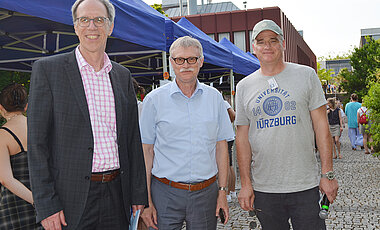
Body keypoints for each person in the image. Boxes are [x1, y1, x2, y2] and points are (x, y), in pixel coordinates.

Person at [28, 0, 148, 229]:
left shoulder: (123, 76)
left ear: (110, 27)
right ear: (75, 26)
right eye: (84, 20)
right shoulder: (48, 70)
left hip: (118, 194)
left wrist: (138, 194)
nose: (92, 26)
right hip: (69, 200)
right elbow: (37, 144)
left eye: (99, 20)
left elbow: (132, 139)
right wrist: (46, 205)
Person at [235, 19, 339, 230]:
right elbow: (242, 139)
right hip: (265, 187)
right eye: (261, 41)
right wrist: (246, 184)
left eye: (273, 40)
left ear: (282, 44)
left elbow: (321, 128)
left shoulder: (306, 76)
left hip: (304, 184)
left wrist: (328, 174)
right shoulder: (244, 87)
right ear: (253, 47)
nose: (267, 46)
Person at [139, 36, 234, 229]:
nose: (185, 65)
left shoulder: (215, 98)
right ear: (171, 62)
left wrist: (222, 191)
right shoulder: (153, 100)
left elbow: (222, 147)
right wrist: (147, 200)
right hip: (164, 192)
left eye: (192, 59)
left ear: (201, 61)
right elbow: (146, 151)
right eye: (179, 59)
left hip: (205, 193)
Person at [0, 83, 42, 229]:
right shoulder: (39, 128)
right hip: (45, 197)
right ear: (26, 106)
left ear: (1, 107)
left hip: (14, 207)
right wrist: (42, 201)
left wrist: (35, 201)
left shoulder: (2, 135)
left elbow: (6, 180)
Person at [224, 98, 237, 202]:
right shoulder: (224, 103)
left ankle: (227, 193)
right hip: (228, 137)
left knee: (226, 165)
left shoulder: (222, 102)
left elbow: (233, 115)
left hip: (224, 138)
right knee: (230, 165)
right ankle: (232, 191)